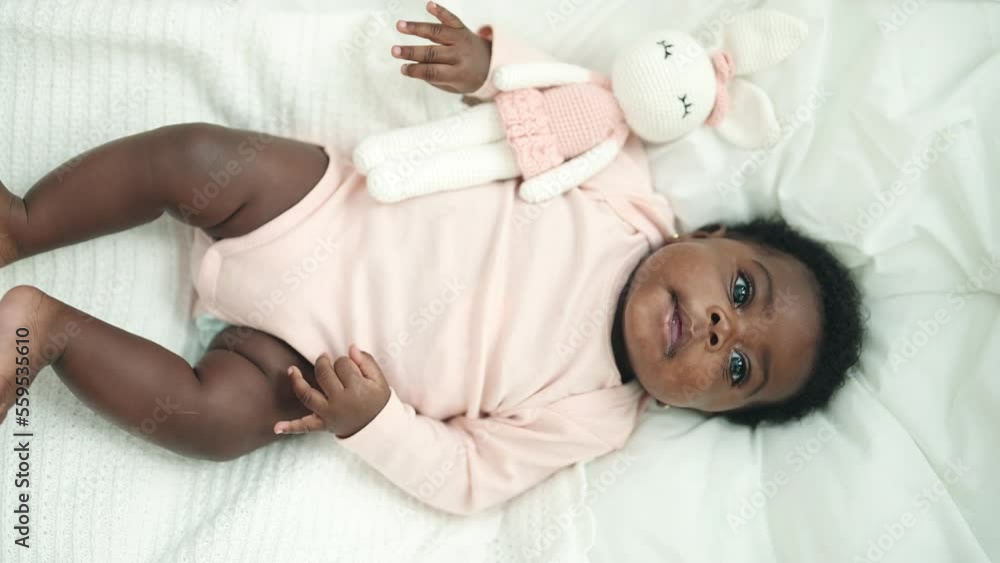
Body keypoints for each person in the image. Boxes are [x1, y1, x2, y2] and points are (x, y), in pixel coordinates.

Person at [0, 2, 863, 515]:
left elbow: (465, 476)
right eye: (744, 289)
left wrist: (373, 419)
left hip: (310, 363)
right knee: (193, 160)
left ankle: (47, 329)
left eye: (741, 364)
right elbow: (576, 104)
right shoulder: (625, 196)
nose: (721, 326)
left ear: (706, 409)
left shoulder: (596, 414)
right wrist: (491, 67)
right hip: (323, 205)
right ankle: (27, 221)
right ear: (708, 239)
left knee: (220, 422)